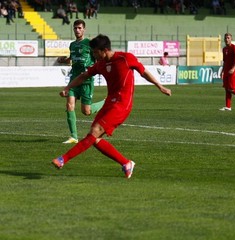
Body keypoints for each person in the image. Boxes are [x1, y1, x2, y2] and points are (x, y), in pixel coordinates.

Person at [52, 34, 172, 178]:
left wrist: (160, 86)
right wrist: (67, 88)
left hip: (122, 105)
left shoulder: (125, 58)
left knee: (94, 132)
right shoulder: (101, 64)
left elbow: (143, 72)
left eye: (96, 52)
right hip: (109, 102)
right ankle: (126, 163)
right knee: (94, 139)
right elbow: (84, 76)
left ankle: (63, 159)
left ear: (105, 50)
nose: (94, 55)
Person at [57, 20, 105, 144]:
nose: (77, 30)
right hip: (74, 79)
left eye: (79, 28)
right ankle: (73, 136)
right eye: (75, 28)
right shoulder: (72, 45)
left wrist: (97, 67)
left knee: (86, 111)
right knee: (69, 105)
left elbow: (99, 57)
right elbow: (72, 59)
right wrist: (64, 60)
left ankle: (104, 102)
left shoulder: (89, 43)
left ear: (84, 29)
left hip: (86, 80)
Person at [219, 33, 235, 111]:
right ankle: (228, 107)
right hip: (226, 71)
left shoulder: (234, 48)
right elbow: (225, 61)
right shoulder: (224, 49)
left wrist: (233, 68)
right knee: (227, 89)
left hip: (232, 72)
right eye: (226, 38)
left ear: (231, 39)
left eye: (228, 38)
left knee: (232, 89)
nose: (227, 39)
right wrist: (222, 71)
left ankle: (228, 106)